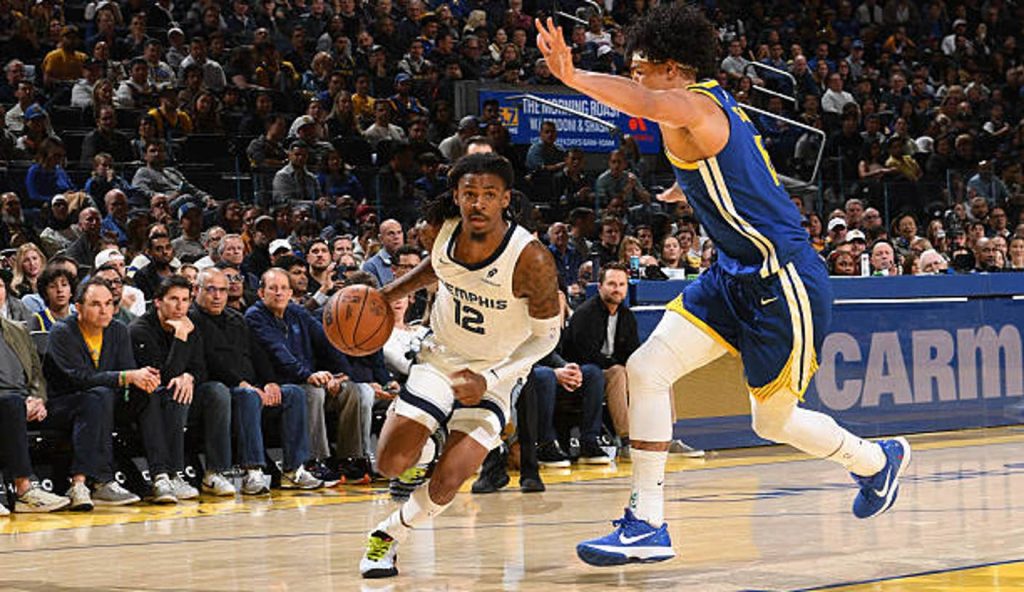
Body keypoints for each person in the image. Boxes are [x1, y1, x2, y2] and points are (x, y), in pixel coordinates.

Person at [537, 7, 910, 566]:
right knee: (645, 370)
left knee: (773, 419)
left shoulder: (694, 103)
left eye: (641, 70)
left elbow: (649, 105)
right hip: (730, 274)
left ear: (672, 69)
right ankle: (646, 523)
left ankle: (875, 462)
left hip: (782, 281)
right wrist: (684, 193)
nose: (635, 79)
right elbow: (730, 175)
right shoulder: (696, 113)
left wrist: (574, 77)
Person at [359, 153, 561, 578]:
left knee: (451, 477)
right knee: (391, 465)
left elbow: (548, 337)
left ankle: (389, 535)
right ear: (456, 196)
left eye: (489, 195)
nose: (478, 203)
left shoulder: (532, 259)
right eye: (470, 194)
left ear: (506, 199)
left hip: (498, 373)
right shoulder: (441, 231)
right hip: (442, 359)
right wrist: (388, 294)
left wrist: (489, 378)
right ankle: (426, 444)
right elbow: (440, 266)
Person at [191, 267, 317, 494]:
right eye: (211, 290)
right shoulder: (192, 320)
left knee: (294, 393)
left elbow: (258, 353)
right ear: (196, 290)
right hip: (220, 390)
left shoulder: (236, 318)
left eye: (223, 290)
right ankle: (253, 471)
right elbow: (208, 360)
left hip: (251, 386)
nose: (218, 296)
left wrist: (269, 382)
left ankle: (294, 469)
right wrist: (244, 384)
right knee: (247, 396)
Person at [44, 277, 153, 510]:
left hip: (104, 402)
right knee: (98, 397)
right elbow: (79, 379)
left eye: (109, 303)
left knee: (152, 396)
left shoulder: (119, 330)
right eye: (95, 304)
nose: (104, 310)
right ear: (78, 307)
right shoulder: (62, 332)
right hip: (62, 404)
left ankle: (164, 475)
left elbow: (127, 371)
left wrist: (145, 380)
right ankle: (88, 482)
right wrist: (126, 377)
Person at [128, 276, 215, 503]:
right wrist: (180, 337)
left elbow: (202, 369)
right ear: (158, 302)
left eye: (185, 300)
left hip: (176, 395)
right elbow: (160, 378)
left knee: (210, 392)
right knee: (170, 395)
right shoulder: (140, 329)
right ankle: (167, 475)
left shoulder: (189, 325)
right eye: (173, 299)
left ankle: (213, 472)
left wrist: (189, 376)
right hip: (142, 398)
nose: (180, 306)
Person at [0, 312, 72, 513]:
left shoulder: (18, 329)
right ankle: (24, 490)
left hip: (20, 402)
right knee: (12, 404)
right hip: (8, 403)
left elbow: (36, 374)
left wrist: (37, 400)